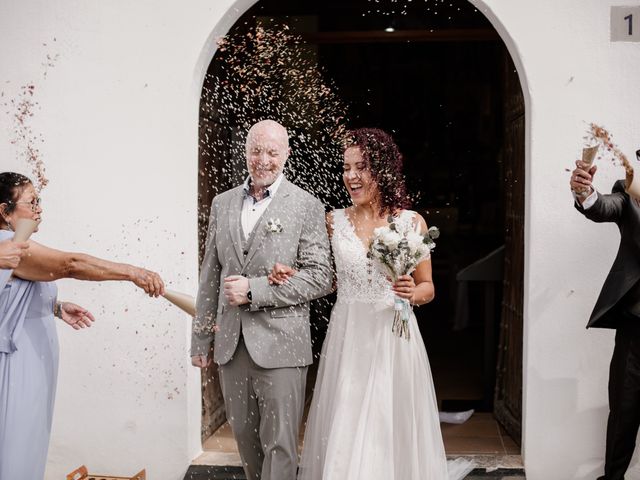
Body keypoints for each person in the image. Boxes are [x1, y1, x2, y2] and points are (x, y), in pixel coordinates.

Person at [270, 128, 473, 480]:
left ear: (382, 171)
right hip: (349, 336)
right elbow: (325, 279)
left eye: (360, 167)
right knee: (347, 414)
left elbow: (428, 288)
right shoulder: (332, 221)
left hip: (394, 338)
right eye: (346, 167)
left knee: (387, 415)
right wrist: (293, 274)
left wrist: (412, 292)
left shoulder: (411, 222)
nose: (351, 176)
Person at [191, 119, 333, 480]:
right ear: (246, 152)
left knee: (280, 445)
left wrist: (255, 291)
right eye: (256, 150)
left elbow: (321, 276)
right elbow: (211, 276)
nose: (263, 159)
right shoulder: (222, 204)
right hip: (231, 347)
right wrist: (201, 338)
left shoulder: (306, 206)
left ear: (286, 154)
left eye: (272, 152)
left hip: (282, 346)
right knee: (245, 441)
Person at [0, 171, 165, 480]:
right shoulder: (9, 245)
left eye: (40, 201)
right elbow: (70, 265)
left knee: (29, 451)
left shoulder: (15, 247)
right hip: (14, 367)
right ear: (4, 211)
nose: (39, 209)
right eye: (31, 202)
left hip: (33, 367)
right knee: (12, 454)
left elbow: (10, 300)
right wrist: (132, 272)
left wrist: (56, 308)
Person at [572, 159, 640, 480]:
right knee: (624, 413)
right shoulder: (629, 197)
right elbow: (600, 206)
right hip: (635, 331)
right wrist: (584, 190)